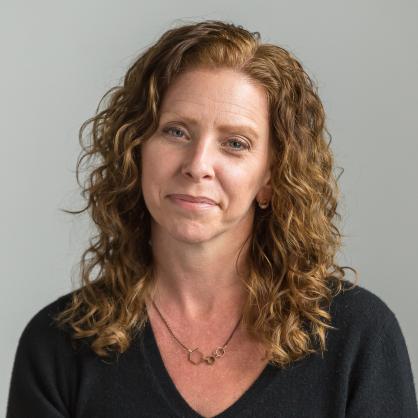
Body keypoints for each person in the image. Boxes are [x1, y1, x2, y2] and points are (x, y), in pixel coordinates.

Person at [6, 19, 418, 418]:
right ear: (135, 151)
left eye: (235, 143)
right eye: (176, 132)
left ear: (271, 179)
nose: (198, 165)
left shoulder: (358, 336)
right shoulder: (59, 344)